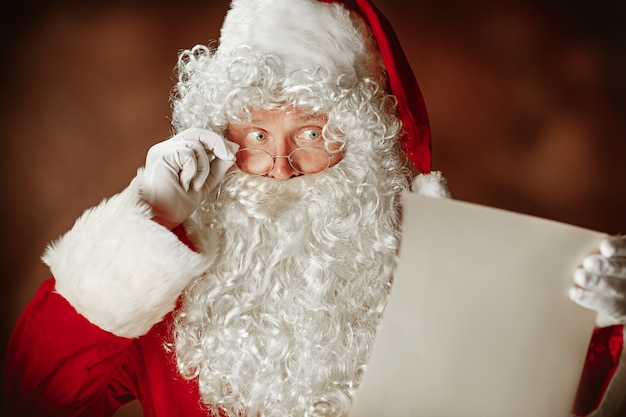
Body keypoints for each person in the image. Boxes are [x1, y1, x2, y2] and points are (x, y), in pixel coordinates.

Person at [3, 0, 626, 416]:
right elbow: (35, 394)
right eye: (254, 136)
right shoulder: (169, 288)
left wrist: (598, 326)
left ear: (361, 142)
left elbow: (533, 400)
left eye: (309, 134)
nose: (279, 166)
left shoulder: (440, 268)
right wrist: (145, 221)